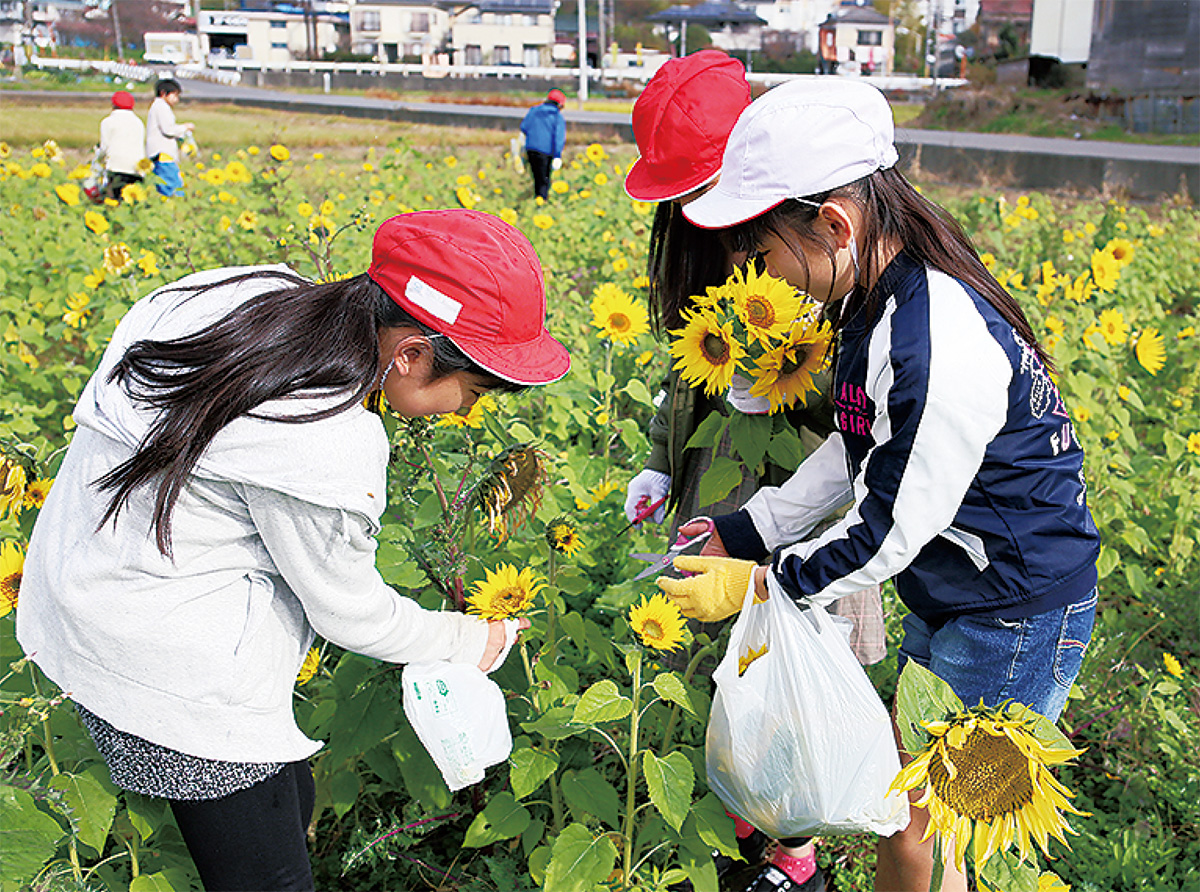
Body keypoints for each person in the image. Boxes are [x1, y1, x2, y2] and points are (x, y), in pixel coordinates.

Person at [16, 209, 570, 892]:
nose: (465, 410)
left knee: (289, 799)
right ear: (413, 355)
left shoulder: (252, 295)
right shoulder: (325, 433)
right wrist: (463, 640)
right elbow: (348, 611)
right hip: (163, 665)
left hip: (79, 588)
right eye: (474, 391)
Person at [659, 79, 1100, 892]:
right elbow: (854, 444)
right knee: (917, 811)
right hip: (964, 593)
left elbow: (889, 528)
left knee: (922, 829)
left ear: (834, 224)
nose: (764, 277)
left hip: (1018, 611)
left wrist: (761, 586)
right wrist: (749, 529)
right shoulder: (871, 301)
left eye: (764, 253)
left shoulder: (934, 338)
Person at [622, 51, 883, 892]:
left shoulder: (817, 257)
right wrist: (661, 463)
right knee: (724, 665)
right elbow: (681, 369)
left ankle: (794, 852)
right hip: (713, 486)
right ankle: (742, 828)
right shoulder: (712, 258)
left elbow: (859, 423)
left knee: (793, 672)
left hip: (805, 498)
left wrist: (788, 387)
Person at [146, 78, 194, 197]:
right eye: (175, 95)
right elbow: (169, 130)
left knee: (163, 185)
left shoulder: (157, 106)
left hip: (159, 153)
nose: (176, 99)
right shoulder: (161, 107)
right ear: (163, 93)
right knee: (173, 186)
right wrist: (185, 127)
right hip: (163, 154)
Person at [98, 90, 146, 202]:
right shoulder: (138, 122)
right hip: (136, 168)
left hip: (115, 167)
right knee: (132, 201)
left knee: (114, 200)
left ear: (113, 104)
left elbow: (104, 147)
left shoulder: (107, 122)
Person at [520, 88, 566, 201]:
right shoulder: (556, 116)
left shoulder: (533, 111)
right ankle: (541, 202)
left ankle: (537, 198)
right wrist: (557, 155)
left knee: (536, 177)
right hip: (546, 152)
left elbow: (524, 127)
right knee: (544, 180)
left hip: (531, 149)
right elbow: (559, 138)